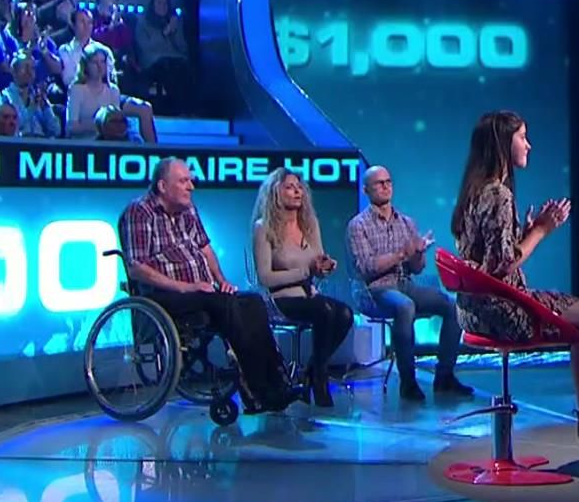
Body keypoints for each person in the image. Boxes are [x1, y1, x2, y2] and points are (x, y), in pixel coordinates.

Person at [450, 111, 579, 448]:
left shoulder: (473, 191)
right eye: (522, 137)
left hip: (473, 310)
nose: (528, 145)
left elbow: (487, 256)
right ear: (503, 144)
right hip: (503, 310)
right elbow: (502, 265)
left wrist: (527, 230)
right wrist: (543, 230)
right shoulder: (498, 195)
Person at [119, 158, 298, 413]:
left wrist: (221, 281)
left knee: (252, 302)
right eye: (184, 181)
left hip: (202, 291)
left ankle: (277, 382)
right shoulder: (139, 212)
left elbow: (205, 249)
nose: (191, 186)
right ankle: (258, 389)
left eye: (191, 181)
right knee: (223, 305)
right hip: (165, 294)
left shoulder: (188, 210)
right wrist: (184, 287)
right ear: (162, 186)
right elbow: (137, 267)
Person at [346, 165, 474, 403]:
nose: (386, 187)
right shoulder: (358, 226)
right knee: (405, 306)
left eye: (388, 182)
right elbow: (366, 268)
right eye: (379, 183)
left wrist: (418, 253)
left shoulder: (406, 223)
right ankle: (408, 382)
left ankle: (444, 377)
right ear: (366, 190)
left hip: (404, 284)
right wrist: (401, 254)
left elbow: (416, 268)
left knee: (452, 305)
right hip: (373, 290)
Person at [252, 168, 354, 407]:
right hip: (280, 299)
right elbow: (264, 278)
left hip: (310, 295)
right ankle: (319, 378)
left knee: (345, 314)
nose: (297, 191)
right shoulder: (263, 227)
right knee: (324, 312)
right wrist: (305, 272)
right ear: (275, 193)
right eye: (289, 187)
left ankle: (312, 370)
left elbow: (317, 262)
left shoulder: (310, 223)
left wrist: (324, 267)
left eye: (299, 187)